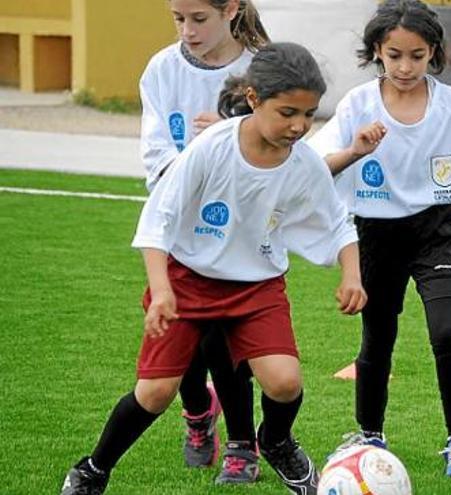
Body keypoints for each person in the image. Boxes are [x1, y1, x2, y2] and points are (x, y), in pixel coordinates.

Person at [61, 42, 367, 495]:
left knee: (284, 383)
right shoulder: (212, 148)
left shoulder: (303, 163)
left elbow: (337, 222)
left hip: (257, 288)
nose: (300, 126)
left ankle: (277, 442)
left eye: (309, 114)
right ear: (253, 99)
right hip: (186, 281)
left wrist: (351, 274)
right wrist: (161, 289)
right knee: (156, 394)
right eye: (287, 112)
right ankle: (93, 469)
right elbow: (158, 217)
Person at [308, 0, 451, 478]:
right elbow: (315, 167)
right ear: (377, 53)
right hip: (375, 232)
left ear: (434, 54)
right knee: (377, 336)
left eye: (416, 55)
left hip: (437, 230)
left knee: (447, 331)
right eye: (394, 55)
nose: (405, 66)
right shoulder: (358, 105)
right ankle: (369, 433)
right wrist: (355, 149)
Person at [138, 0, 270, 483]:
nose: (187, 31)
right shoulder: (161, 68)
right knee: (182, 338)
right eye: (178, 19)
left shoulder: (262, 66)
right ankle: (198, 412)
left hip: (240, 226)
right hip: (177, 223)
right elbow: (154, 147)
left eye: (199, 19)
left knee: (224, 339)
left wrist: (236, 137)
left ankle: (242, 446)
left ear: (231, 9)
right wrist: (196, 165)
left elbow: (287, 138)